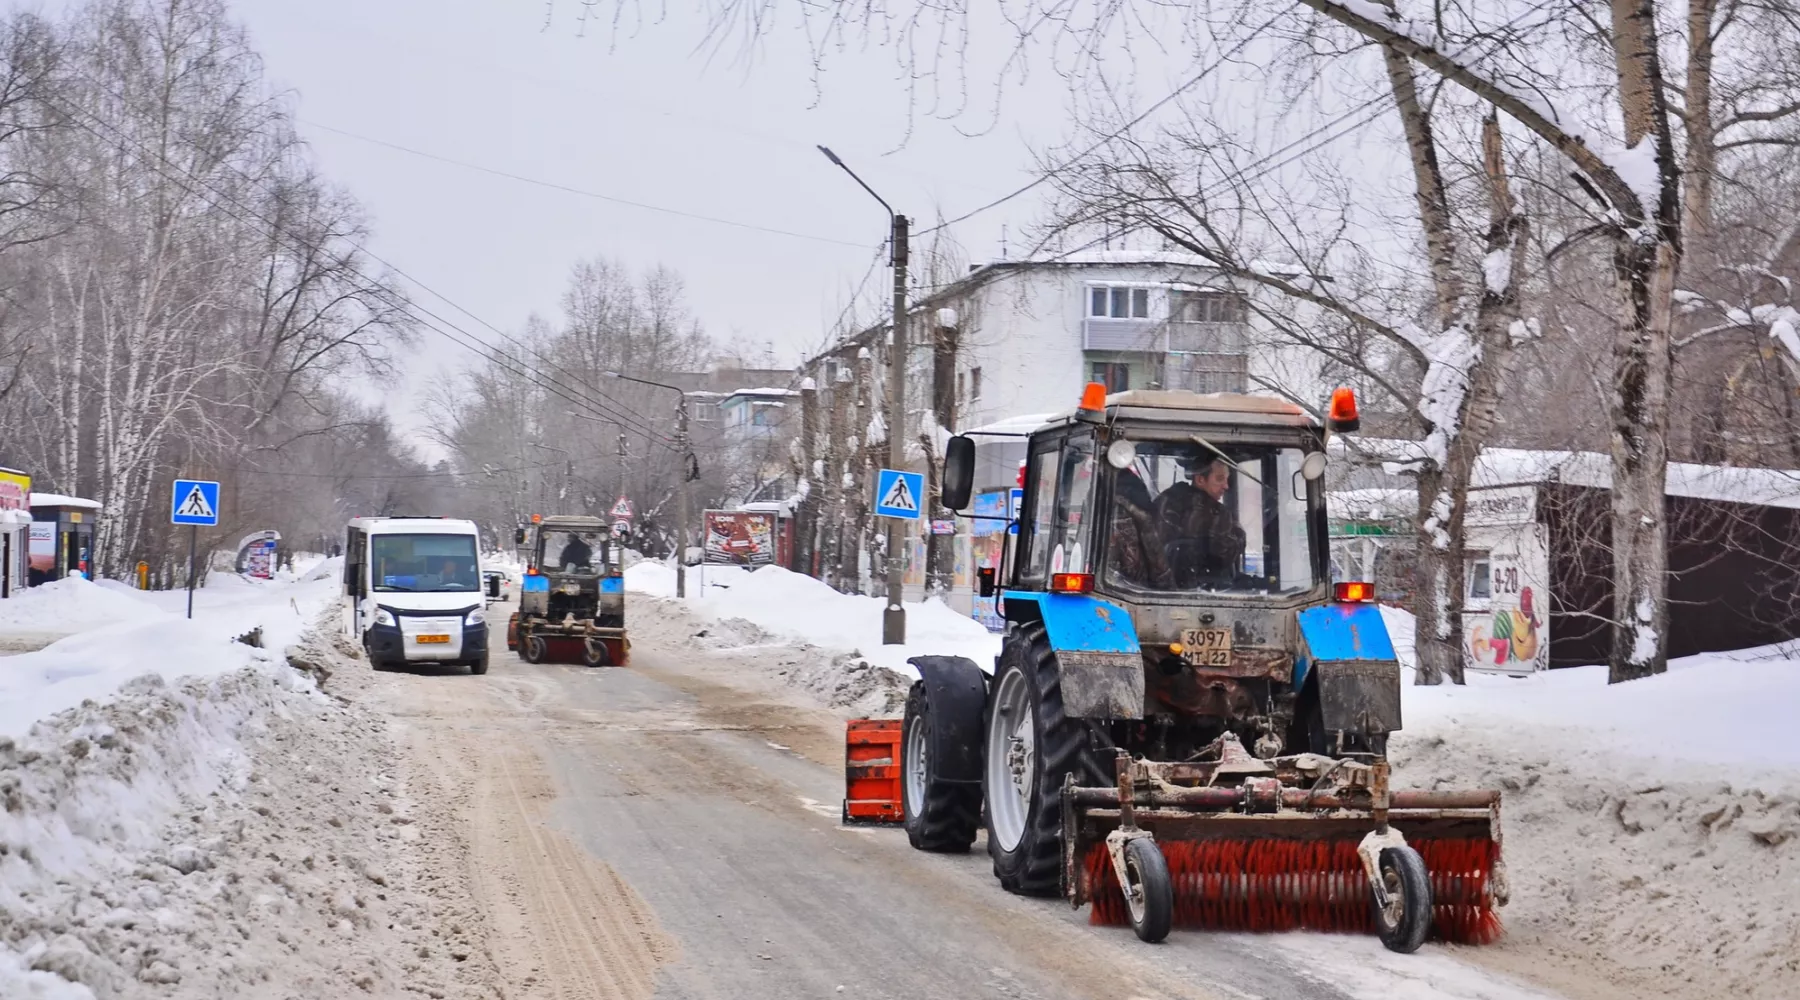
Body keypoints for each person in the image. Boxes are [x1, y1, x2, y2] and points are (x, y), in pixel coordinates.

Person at [1152, 453, 1246, 587]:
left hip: (1159, 587)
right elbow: (1226, 554)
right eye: (1220, 479)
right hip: (1209, 590)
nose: (1226, 486)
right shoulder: (1218, 514)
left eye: (1227, 479)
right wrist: (1239, 534)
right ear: (1200, 480)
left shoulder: (1162, 503)